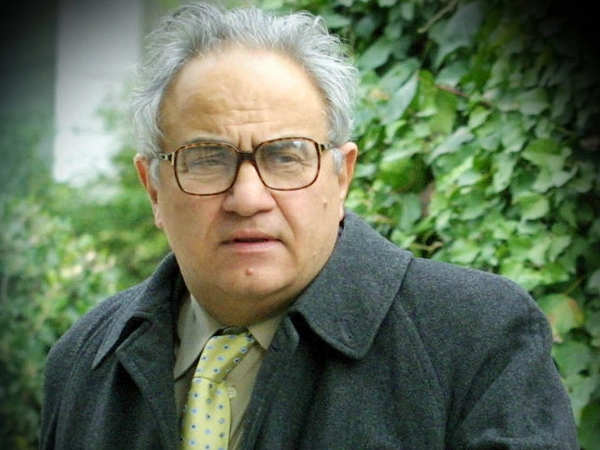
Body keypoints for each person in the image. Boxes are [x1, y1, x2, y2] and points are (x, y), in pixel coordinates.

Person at [40, 2, 579, 449]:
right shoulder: (82, 361)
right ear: (154, 188)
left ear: (341, 176)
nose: (247, 198)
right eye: (207, 158)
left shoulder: (475, 337)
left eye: (286, 157)